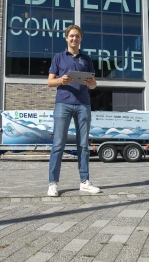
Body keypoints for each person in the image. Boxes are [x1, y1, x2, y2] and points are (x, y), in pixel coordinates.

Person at [47, 25, 101, 197]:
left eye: (77, 36)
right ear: (66, 38)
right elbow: (49, 82)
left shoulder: (87, 59)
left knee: (83, 144)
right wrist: (61, 80)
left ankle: (84, 182)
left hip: (83, 104)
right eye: (71, 36)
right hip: (63, 104)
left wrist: (91, 83)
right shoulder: (58, 58)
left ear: (80, 39)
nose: (74, 39)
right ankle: (53, 183)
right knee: (58, 143)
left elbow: (93, 84)